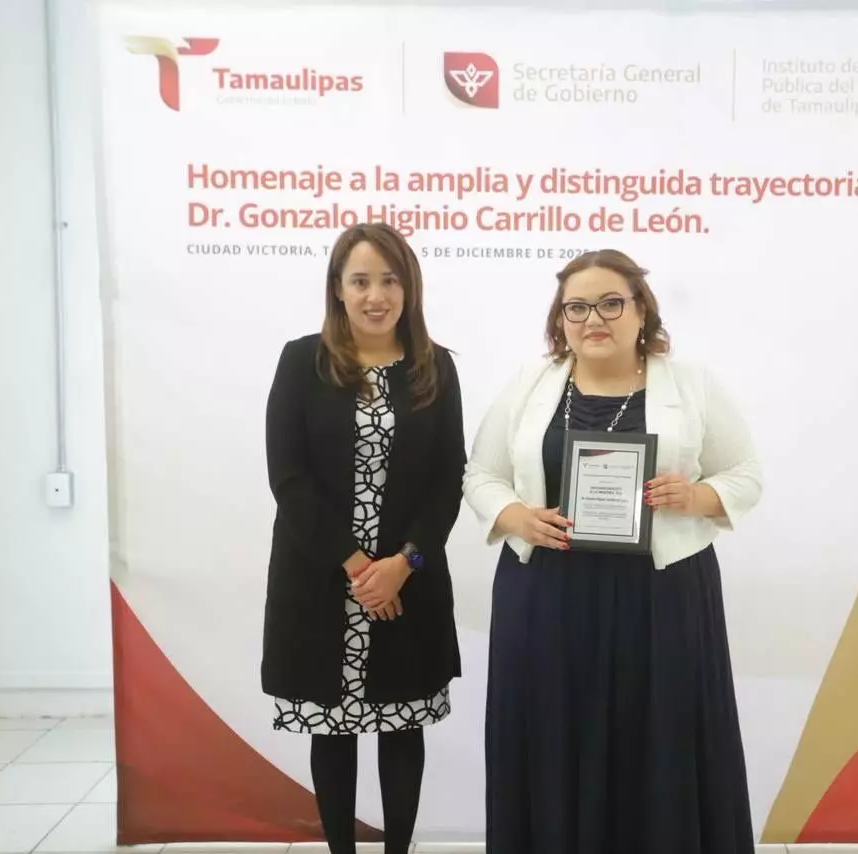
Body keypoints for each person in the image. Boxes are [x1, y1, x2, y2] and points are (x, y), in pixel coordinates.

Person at [463, 249, 762, 854]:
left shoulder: (692, 382)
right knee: (551, 737)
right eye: (576, 307)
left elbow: (746, 475)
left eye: (610, 303)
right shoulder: (530, 383)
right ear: (560, 318)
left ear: (641, 310)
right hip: (547, 593)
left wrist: (697, 496)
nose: (592, 319)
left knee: (660, 741)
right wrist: (518, 516)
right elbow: (481, 476)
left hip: (663, 596)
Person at [261, 223, 465, 854]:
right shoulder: (302, 361)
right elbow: (288, 477)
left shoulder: (436, 366)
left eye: (390, 280)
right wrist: (358, 566)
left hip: (407, 585)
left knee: (402, 725)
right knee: (334, 730)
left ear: (409, 287)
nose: (376, 295)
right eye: (361, 281)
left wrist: (403, 563)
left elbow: (448, 481)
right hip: (322, 581)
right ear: (338, 289)